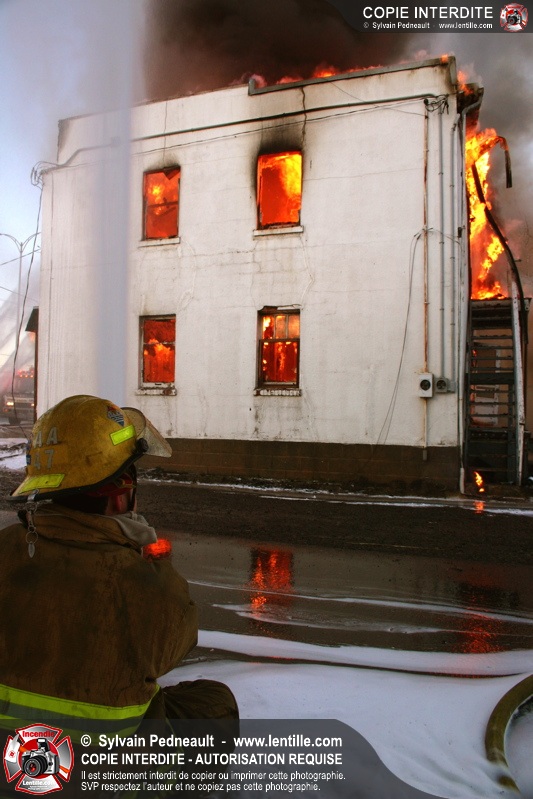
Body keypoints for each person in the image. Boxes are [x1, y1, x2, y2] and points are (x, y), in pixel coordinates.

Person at [0, 395, 238, 793]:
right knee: (215, 703)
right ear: (119, 495)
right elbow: (178, 642)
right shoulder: (148, 586)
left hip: (15, 771)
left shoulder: (6, 549)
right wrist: (138, 558)